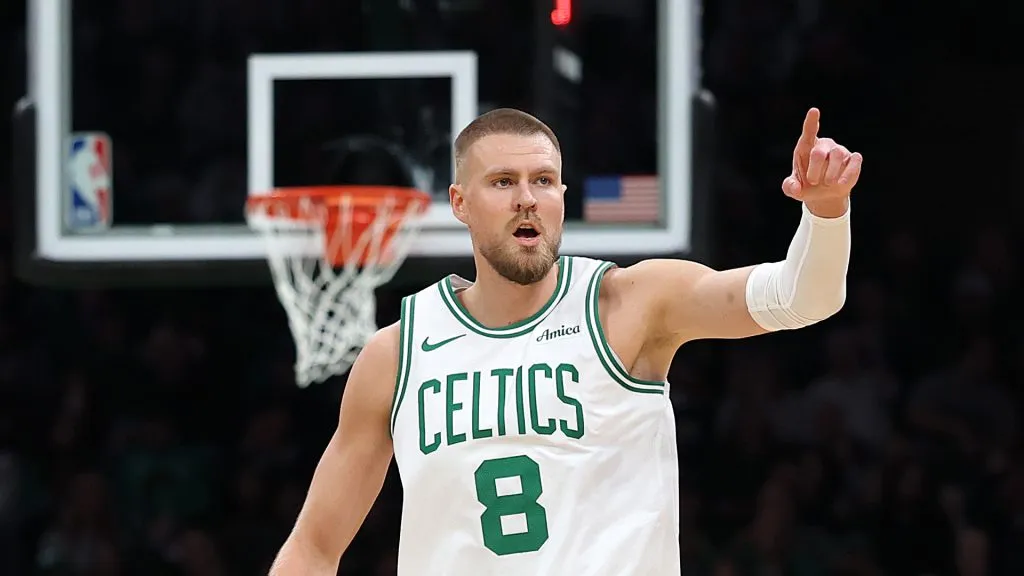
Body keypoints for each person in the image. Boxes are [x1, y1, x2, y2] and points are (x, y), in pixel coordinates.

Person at [269, 107, 860, 575]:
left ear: (561, 197)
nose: (528, 197)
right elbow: (314, 549)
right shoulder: (396, 355)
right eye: (503, 181)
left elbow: (800, 298)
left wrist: (828, 212)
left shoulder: (631, 303)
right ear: (460, 204)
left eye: (543, 181)